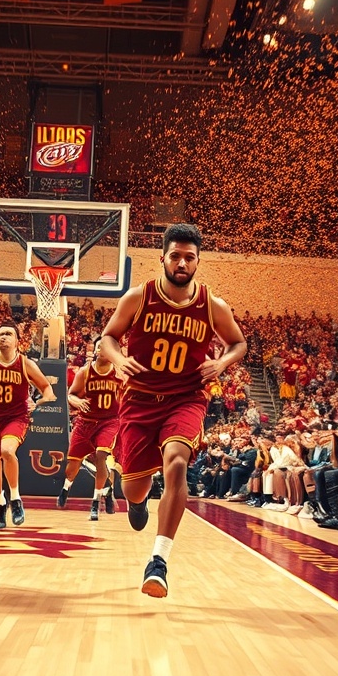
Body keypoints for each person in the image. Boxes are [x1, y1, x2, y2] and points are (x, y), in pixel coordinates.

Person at [98, 223, 247, 598]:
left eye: (189, 257)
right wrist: (118, 359)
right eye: (176, 256)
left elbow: (239, 343)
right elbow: (108, 337)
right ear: (162, 257)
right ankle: (136, 502)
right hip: (140, 398)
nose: (182, 263)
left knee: (178, 462)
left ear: (198, 261)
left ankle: (159, 561)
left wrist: (221, 363)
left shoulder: (213, 305)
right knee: (134, 487)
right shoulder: (138, 297)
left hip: (186, 397)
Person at [0, 322, 56, 529]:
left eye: (8, 334)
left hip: (16, 417)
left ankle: (16, 499)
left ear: (18, 341)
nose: (3, 337)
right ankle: (1, 504)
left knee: (7, 451)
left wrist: (39, 401)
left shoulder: (25, 364)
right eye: (0, 334)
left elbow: (47, 388)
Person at [66, 341, 123, 521]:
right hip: (88, 423)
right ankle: (107, 490)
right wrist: (77, 401)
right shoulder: (85, 372)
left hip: (113, 422)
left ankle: (101, 497)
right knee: (95, 462)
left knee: (106, 459)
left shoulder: (121, 372)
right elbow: (71, 394)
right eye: (100, 346)